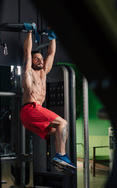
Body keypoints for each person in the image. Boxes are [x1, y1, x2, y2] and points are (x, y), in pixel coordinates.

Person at [20, 28, 76, 174]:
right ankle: (61, 157)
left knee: (58, 129)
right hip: (30, 109)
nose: (40, 60)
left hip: (32, 114)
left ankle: (59, 160)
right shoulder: (28, 73)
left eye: (40, 58)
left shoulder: (44, 73)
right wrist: (29, 32)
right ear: (31, 61)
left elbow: (51, 54)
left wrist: (52, 38)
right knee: (63, 123)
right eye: (36, 59)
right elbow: (27, 51)